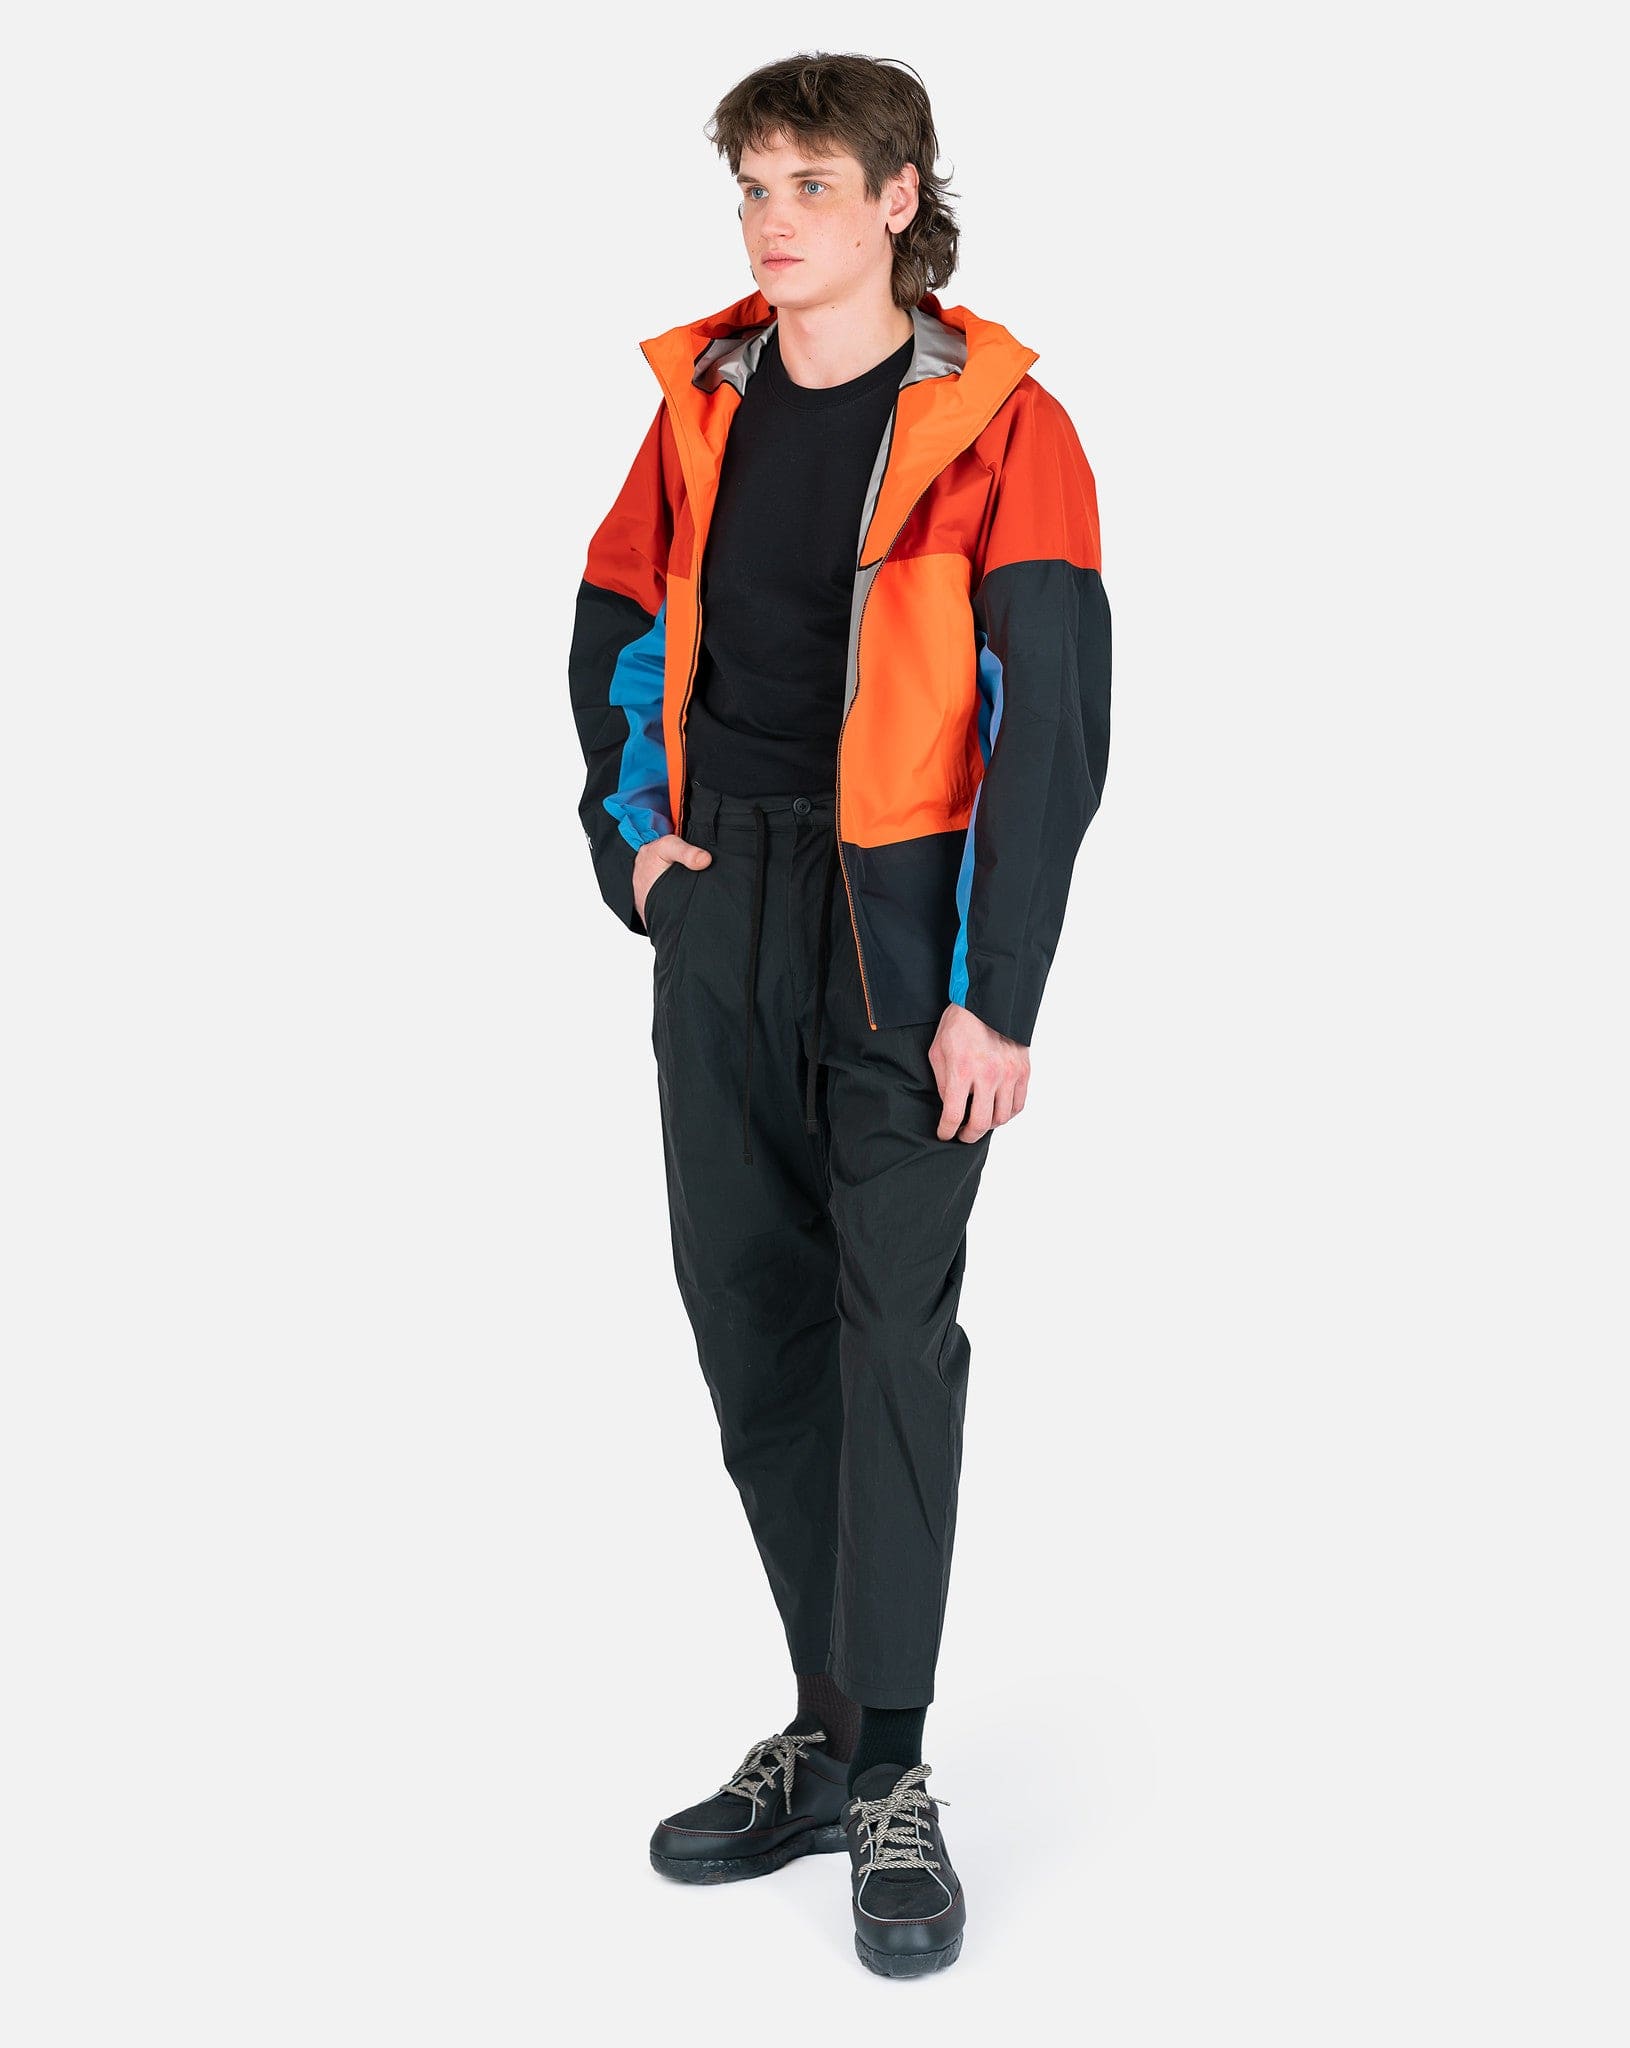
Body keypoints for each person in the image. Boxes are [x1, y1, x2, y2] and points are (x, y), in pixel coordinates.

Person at [567, 51, 1112, 1977]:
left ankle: (888, 1771)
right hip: (724, 898)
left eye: (810, 182)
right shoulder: (702, 401)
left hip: (904, 931)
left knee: (891, 1333)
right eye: (751, 184)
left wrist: (995, 998)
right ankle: (820, 1725)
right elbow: (614, 624)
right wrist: (638, 851)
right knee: (750, 1313)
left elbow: (1051, 728)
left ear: (897, 200)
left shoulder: (1003, 425)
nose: (771, 218)